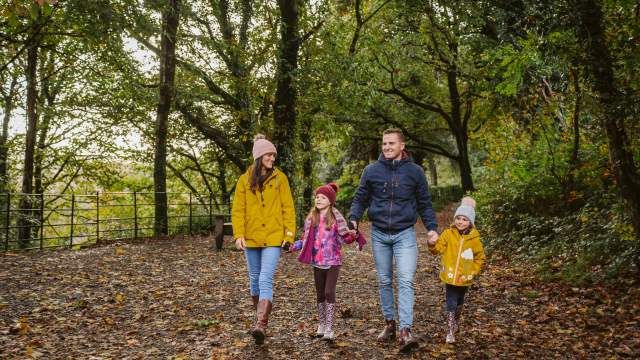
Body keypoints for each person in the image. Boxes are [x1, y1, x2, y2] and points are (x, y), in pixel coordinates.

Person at [349, 128, 439, 352]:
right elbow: (360, 198)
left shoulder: (415, 172)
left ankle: (405, 330)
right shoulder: (371, 171)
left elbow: (425, 203)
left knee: (406, 280)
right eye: (384, 144)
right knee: (384, 280)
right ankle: (390, 323)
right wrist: (353, 219)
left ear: (402, 145)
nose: (387, 147)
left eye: (391, 143)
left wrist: (432, 228)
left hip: (404, 234)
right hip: (379, 234)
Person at [231, 134, 296, 345]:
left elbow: (288, 208)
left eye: (274, 155)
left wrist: (288, 235)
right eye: (269, 154)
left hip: (274, 237)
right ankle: (260, 319)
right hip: (251, 238)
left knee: (265, 278)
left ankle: (261, 324)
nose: (273, 158)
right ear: (259, 156)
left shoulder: (281, 179)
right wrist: (238, 234)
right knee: (254, 279)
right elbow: (238, 210)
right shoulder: (244, 181)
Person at [290, 183, 363, 341]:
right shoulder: (311, 218)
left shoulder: (336, 217)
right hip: (317, 261)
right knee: (320, 294)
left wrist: (354, 235)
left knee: (329, 292)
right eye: (317, 197)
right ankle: (321, 325)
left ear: (330, 200)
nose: (319, 199)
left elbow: (345, 237)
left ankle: (330, 327)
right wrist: (294, 246)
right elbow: (304, 238)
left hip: (333, 261)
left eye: (323, 197)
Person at [427, 197, 485, 344]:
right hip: (450, 275)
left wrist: (473, 270)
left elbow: (480, 258)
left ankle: (456, 320)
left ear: (470, 222)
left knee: (460, 300)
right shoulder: (448, 234)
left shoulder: (474, 239)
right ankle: (450, 330)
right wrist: (432, 244)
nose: (460, 221)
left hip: (465, 277)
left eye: (464, 219)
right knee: (451, 302)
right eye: (458, 218)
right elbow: (438, 249)